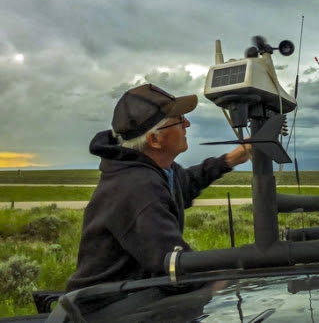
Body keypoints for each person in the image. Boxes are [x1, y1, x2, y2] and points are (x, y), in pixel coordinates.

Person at [66, 83, 250, 292]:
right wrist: (233, 281)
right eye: (179, 120)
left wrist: (231, 159)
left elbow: (185, 183)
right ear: (154, 139)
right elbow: (174, 268)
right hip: (109, 305)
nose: (187, 124)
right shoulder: (139, 188)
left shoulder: (155, 171)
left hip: (135, 292)